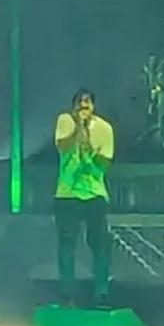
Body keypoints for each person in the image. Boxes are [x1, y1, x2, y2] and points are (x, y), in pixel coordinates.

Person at [53, 89, 114, 305]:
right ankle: (66, 294)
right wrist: (79, 127)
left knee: (100, 245)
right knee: (67, 245)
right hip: (67, 194)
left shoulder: (105, 129)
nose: (83, 106)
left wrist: (88, 147)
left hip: (95, 193)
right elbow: (62, 147)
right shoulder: (64, 121)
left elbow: (104, 165)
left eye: (87, 102)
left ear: (94, 107)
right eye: (79, 102)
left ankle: (101, 292)